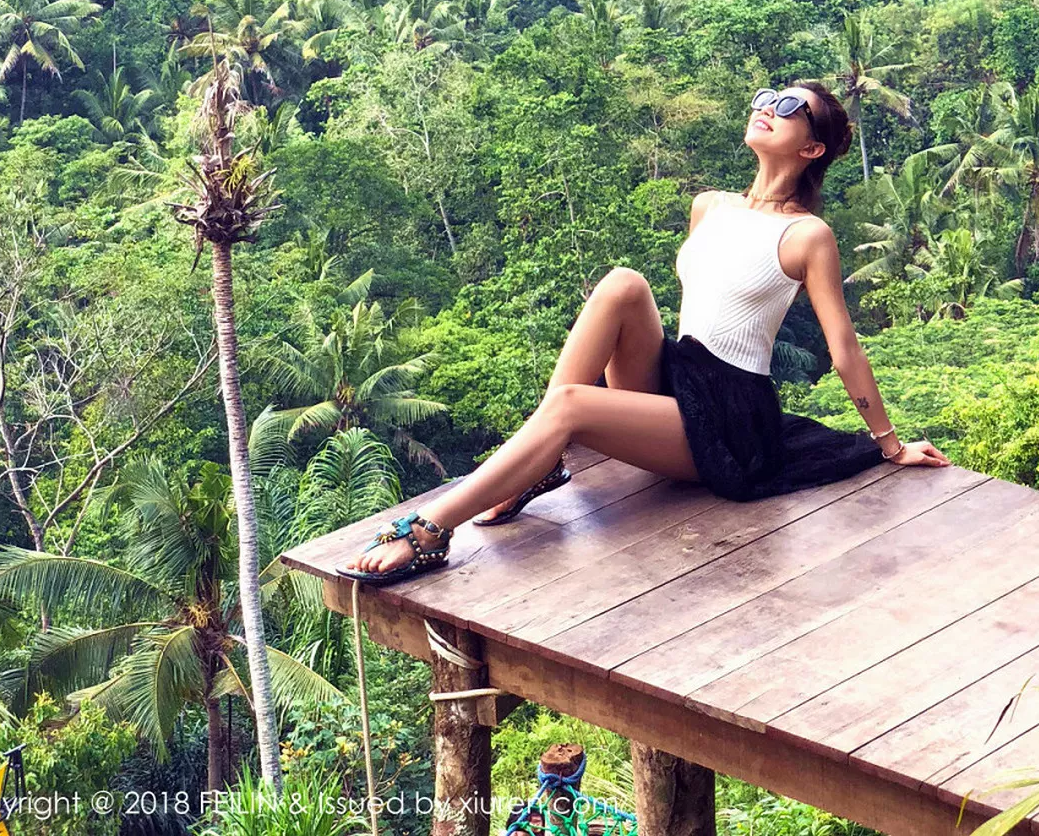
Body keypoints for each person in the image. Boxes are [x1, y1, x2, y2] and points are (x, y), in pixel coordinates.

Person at [337, 79, 950, 585]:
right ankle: (542, 462)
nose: (767, 107)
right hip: (680, 379)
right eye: (766, 97)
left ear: (811, 148)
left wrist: (890, 445)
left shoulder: (807, 235)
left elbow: (844, 348)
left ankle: (430, 531)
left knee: (573, 404)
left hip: (731, 420)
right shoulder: (710, 205)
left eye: (789, 107)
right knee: (624, 284)